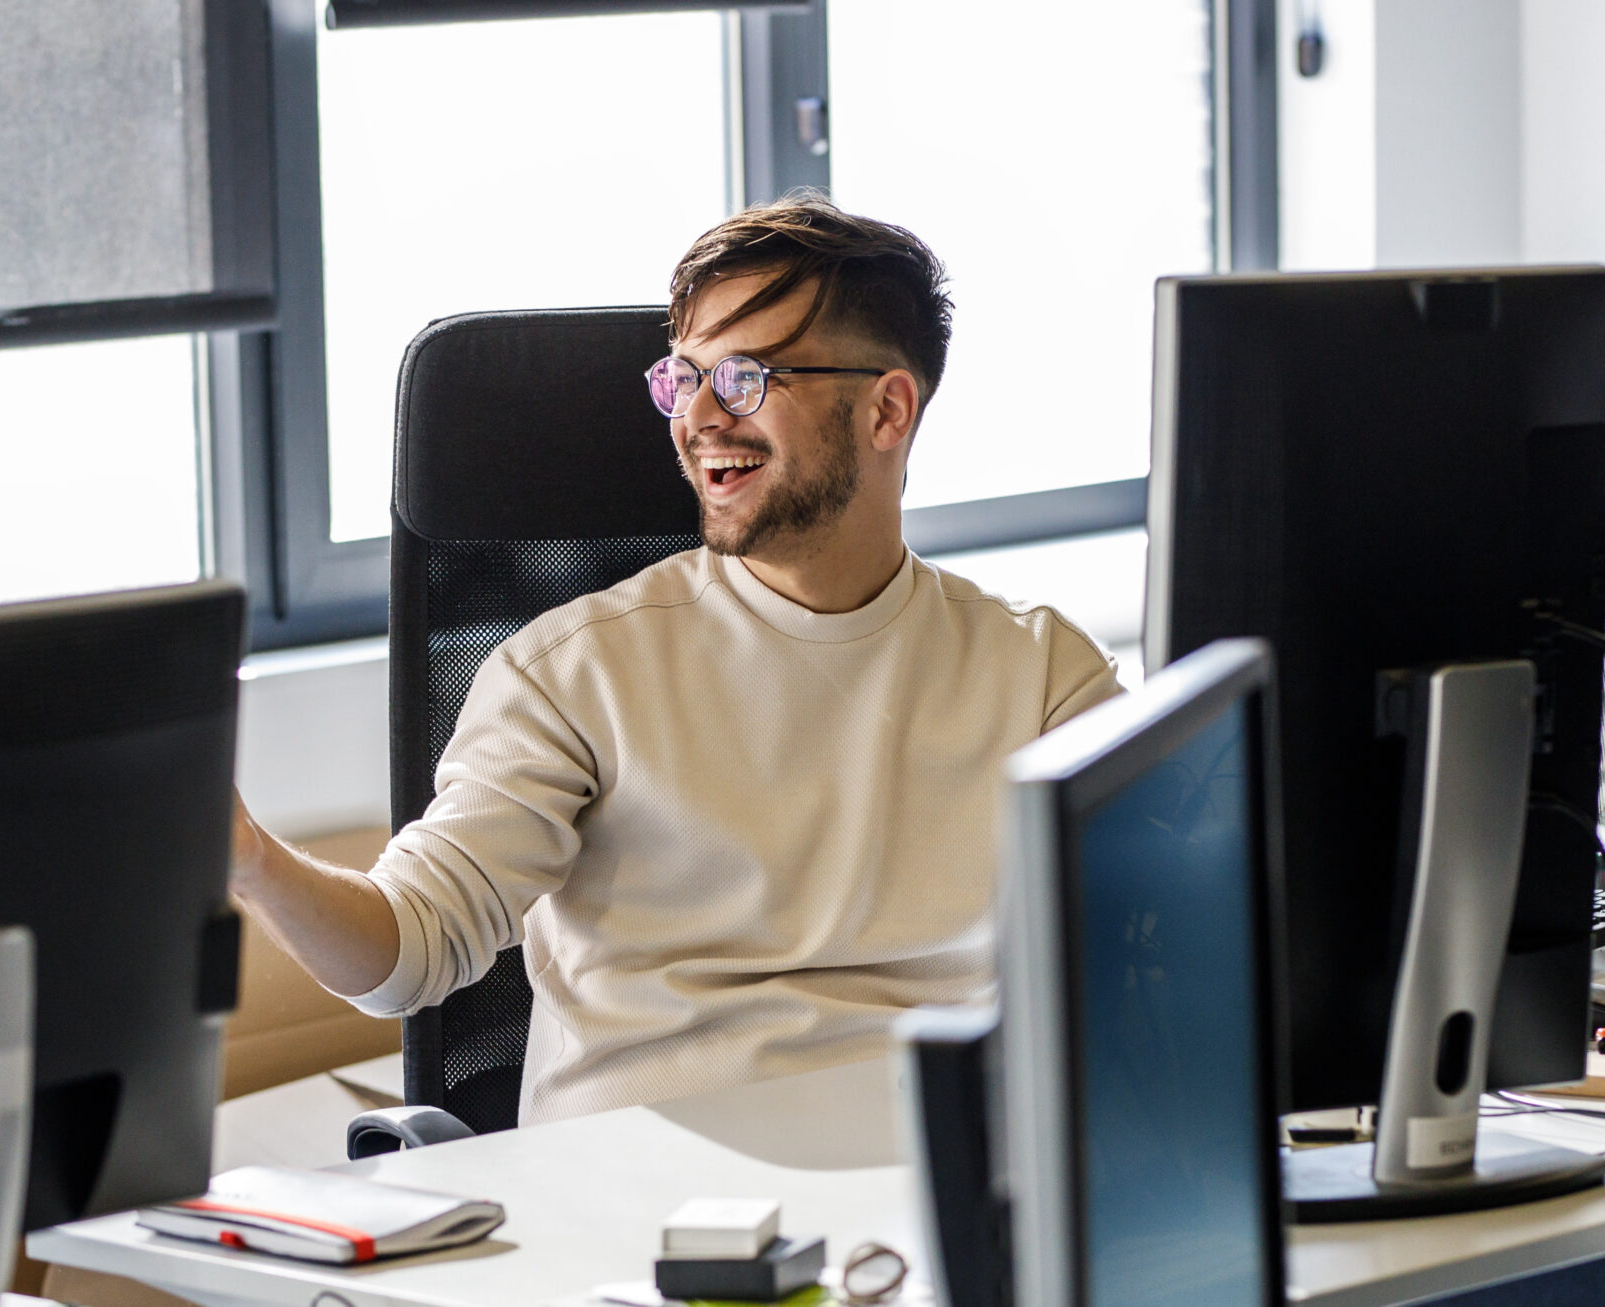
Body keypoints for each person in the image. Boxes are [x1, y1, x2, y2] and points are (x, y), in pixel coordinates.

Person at [231, 196, 1122, 1124]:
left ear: (887, 409)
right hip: (646, 1214)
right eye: (683, 377)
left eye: (744, 378)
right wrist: (254, 862)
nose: (697, 417)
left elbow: (1161, 946)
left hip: (928, 1190)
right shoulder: (576, 673)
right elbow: (408, 947)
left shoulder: (1044, 676)